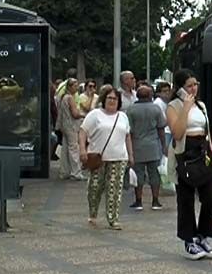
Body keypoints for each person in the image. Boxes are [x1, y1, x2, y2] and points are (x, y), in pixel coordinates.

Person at [167, 69, 212, 261]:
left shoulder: (202, 106)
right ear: (180, 88)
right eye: (189, 85)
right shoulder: (173, 106)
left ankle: (203, 235)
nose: (193, 88)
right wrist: (186, 108)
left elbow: (206, 132)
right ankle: (189, 240)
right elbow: (177, 133)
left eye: (195, 84)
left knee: (211, 196)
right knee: (186, 199)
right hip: (185, 152)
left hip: (202, 150)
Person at [80, 85, 134, 229]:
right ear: (104, 99)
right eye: (109, 98)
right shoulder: (95, 115)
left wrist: (130, 155)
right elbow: (83, 132)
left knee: (114, 189)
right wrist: (82, 150)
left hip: (119, 157)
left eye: (115, 98)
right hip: (98, 158)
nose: (112, 101)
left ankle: (113, 219)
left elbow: (127, 136)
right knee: (95, 188)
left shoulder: (123, 116)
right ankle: (93, 213)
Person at [126, 83, 167, 211]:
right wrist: (164, 145)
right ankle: (155, 201)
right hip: (153, 146)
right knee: (154, 174)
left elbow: (129, 131)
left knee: (138, 175)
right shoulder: (156, 109)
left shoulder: (131, 110)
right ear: (150, 95)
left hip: (137, 146)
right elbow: (161, 128)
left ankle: (138, 201)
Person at [56, 78, 85, 181]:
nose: (77, 88)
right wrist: (84, 115)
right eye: (75, 86)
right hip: (71, 126)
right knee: (74, 148)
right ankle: (76, 172)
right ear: (70, 86)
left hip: (64, 125)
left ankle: (64, 171)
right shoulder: (70, 98)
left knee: (65, 149)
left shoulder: (62, 97)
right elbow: (75, 114)